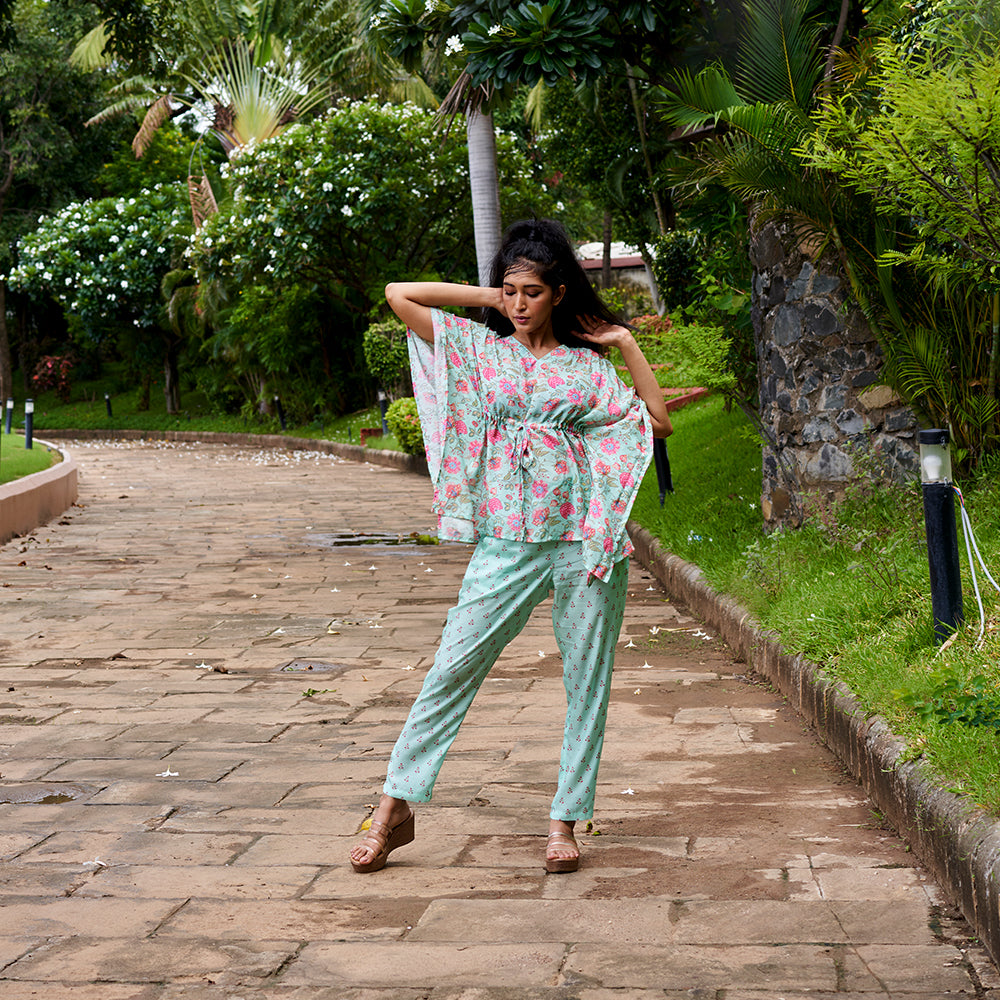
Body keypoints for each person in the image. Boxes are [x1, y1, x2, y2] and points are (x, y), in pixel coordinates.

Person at [350, 218, 672, 874]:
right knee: (451, 667)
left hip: (584, 541)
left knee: (588, 680)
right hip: (509, 538)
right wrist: (487, 298)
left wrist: (623, 341)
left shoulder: (587, 367)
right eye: (510, 291)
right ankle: (394, 807)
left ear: (558, 293)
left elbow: (655, 422)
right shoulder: (478, 350)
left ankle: (564, 821)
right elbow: (398, 293)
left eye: (531, 292)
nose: (519, 303)